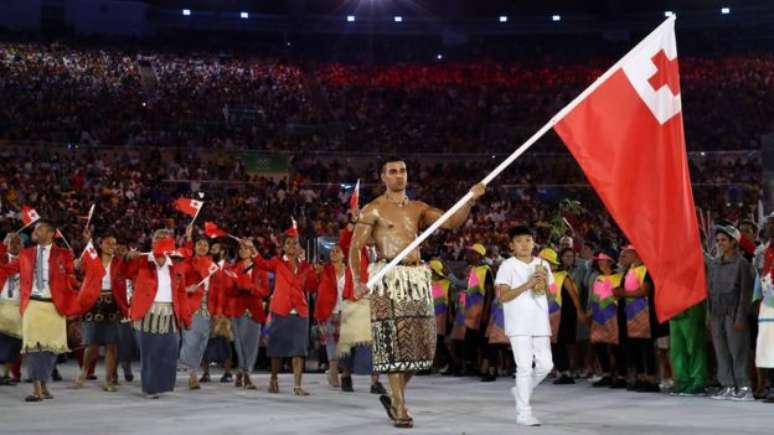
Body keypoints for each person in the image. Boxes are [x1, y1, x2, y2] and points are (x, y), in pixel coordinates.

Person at [349, 157, 485, 428]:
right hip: (389, 279)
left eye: (403, 171)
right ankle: (400, 406)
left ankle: (393, 395)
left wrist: (470, 200)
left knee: (422, 348)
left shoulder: (418, 207)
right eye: (393, 172)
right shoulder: (373, 209)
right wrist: (356, 279)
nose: (399, 176)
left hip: (415, 279)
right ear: (383, 177)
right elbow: (355, 248)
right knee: (395, 347)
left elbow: (449, 223)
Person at [0, 220, 82, 402]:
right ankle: (36, 389)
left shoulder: (64, 254)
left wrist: (77, 267)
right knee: (33, 347)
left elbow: (72, 278)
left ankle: (43, 385)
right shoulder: (26, 254)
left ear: (51, 233)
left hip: (55, 306)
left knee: (51, 349)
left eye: (39, 229)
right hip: (32, 306)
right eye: (35, 229)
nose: (35, 231)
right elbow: (6, 269)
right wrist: (2, 247)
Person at [124, 229, 199, 399]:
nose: (161, 240)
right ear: (152, 242)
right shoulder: (142, 259)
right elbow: (126, 272)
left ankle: (162, 385)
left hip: (170, 313)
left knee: (168, 351)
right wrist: (128, 258)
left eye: (165, 238)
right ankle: (150, 388)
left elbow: (180, 294)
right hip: (148, 312)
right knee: (150, 353)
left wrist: (186, 318)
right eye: (158, 238)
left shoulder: (176, 264)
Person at [495, 225, 554, 427]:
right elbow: (504, 296)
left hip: (539, 321)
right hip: (518, 322)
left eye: (528, 240)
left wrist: (543, 283)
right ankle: (523, 413)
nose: (524, 244)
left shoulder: (543, 264)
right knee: (524, 367)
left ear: (534, 242)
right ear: (511, 246)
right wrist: (528, 284)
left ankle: (522, 389)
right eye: (519, 241)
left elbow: (550, 294)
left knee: (547, 365)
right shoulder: (507, 266)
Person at [249, 225, 318, 396]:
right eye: (289, 244)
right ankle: (273, 379)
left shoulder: (306, 266)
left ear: (299, 247)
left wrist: (315, 274)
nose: (292, 247)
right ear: (284, 247)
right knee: (277, 350)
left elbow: (311, 286)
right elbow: (261, 263)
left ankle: (297, 386)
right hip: (281, 310)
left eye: (295, 244)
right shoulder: (277, 262)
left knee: (299, 351)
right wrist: (253, 249)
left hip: (300, 312)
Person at [75, 231, 128, 392]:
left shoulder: (120, 262)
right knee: (92, 343)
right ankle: (84, 372)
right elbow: (78, 267)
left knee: (112, 345)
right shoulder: (92, 260)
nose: (111, 246)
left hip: (113, 304)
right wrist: (76, 263)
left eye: (114, 243)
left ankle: (109, 379)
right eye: (108, 243)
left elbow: (132, 270)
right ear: (100, 244)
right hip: (93, 303)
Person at [707, 223, 755, 401]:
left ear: (734, 242)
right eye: (718, 240)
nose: (720, 243)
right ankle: (727, 385)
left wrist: (741, 316)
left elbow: (745, 294)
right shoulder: (715, 265)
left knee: (738, 350)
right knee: (721, 350)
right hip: (716, 313)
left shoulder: (742, 264)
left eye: (724, 240)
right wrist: (709, 316)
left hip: (734, 313)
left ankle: (744, 386)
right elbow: (710, 291)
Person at [178, 229, 223, 390]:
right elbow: (177, 280)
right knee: (191, 340)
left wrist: (217, 312)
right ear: (195, 247)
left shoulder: (214, 266)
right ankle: (192, 374)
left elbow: (218, 290)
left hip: (208, 308)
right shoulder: (188, 263)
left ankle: (191, 368)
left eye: (205, 244)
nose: (203, 246)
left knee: (202, 342)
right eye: (200, 244)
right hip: (192, 306)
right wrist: (185, 288)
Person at [540, 248, 587, 385]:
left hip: (564, 314)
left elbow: (574, 295)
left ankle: (566, 372)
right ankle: (561, 371)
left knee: (558, 343)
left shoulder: (563, 275)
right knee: (553, 343)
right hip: (550, 314)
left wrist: (580, 312)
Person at [225, 240, 268, 390]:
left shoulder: (261, 269)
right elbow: (228, 292)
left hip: (254, 310)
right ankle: (245, 373)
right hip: (238, 309)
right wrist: (238, 287)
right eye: (241, 248)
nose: (243, 250)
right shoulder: (233, 269)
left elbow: (265, 292)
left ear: (252, 251)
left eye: (246, 248)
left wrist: (251, 288)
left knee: (252, 345)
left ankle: (244, 372)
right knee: (240, 344)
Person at [588, 251, 626, 388]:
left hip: (614, 315)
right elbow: (595, 298)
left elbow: (621, 296)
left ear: (610, 261)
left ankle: (622, 376)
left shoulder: (619, 277)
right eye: (598, 261)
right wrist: (590, 313)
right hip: (599, 316)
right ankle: (606, 374)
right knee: (599, 344)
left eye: (603, 260)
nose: (600, 262)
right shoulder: (598, 278)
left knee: (617, 346)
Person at [754, 213, 774, 403]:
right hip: (768, 304)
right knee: (768, 347)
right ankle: (772, 387)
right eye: (768, 223)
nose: (768, 226)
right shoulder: (767, 249)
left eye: (771, 223)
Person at [0, 233, 23, 386]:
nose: (14, 245)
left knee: (13, 342)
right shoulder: (1, 258)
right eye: (11, 242)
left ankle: (7, 374)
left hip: (17, 306)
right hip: (1, 303)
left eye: (17, 242)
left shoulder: (27, 261)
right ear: (6, 244)